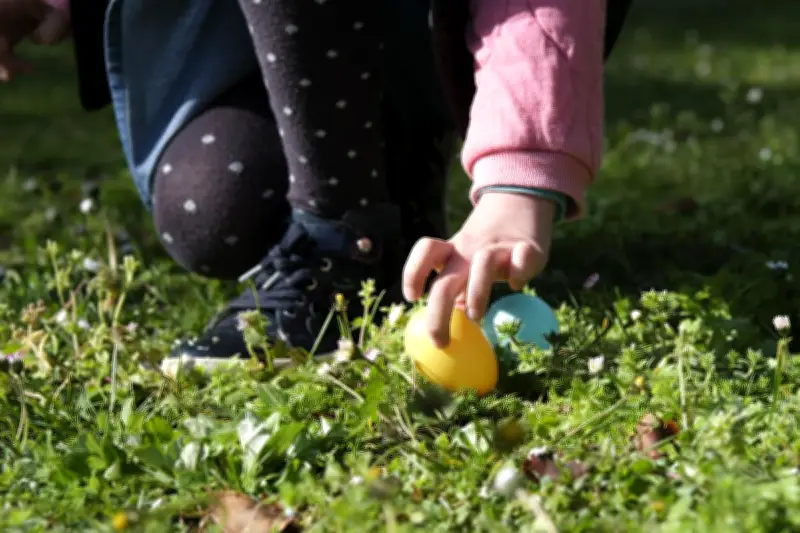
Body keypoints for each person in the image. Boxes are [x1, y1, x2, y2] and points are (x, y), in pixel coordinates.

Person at [1, 0, 631, 372]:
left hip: (446, 23)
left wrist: (519, 182)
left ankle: (342, 238)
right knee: (217, 212)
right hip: (272, 35)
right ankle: (388, 195)